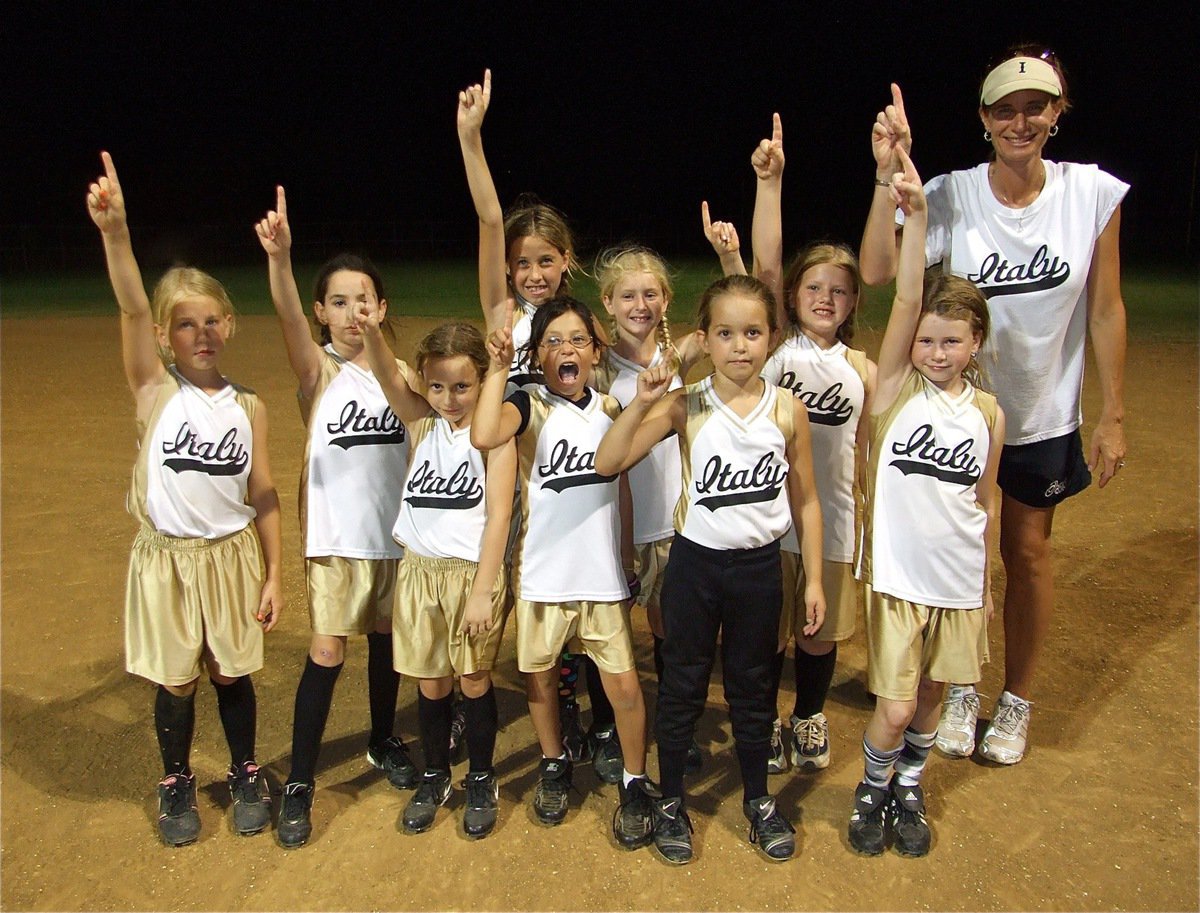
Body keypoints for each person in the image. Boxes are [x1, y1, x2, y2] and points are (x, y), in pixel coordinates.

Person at [859, 47, 1128, 764]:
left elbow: (1105, 310)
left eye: (1035, 106)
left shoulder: (1090, 194)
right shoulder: (951, 193)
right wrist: (889, 173)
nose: (1021, 121)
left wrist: (1113, 413)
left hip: (1040, 411)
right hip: (956, 409)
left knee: (1027, 553)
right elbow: (881, 271)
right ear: (984, 118)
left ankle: (1015, 700)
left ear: (1057, 113)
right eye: (1004, 109)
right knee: (962, 549)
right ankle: (962, 685)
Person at [596, 273, 826, 865]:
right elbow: (608, 460)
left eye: (753, 332)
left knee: (754, 690)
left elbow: (805, 500)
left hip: (758, 570)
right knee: (683, 687)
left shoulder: (787, 409)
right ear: (705, 338)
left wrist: (818, 579)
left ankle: (757, 799)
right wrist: (647, 399)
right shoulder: (685, 403)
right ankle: (670, 799)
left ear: (772, 338)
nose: (740, 345)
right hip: (694, 569)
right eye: (725, 333)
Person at [87, 152, 282, 846]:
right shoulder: (154, 390)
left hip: (231, 556)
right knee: (176, 681)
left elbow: (262, 491)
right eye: (185, 325)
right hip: (166, 559)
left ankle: (245, 768)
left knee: (231, 670)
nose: (201, 334)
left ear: (229, 325)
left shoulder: (248, 405)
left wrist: (276, 574)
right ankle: (175, 779)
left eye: (211, 322)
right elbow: (132, 304)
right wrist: (117, 233)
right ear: (168, 337)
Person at [849, 148, 1004, 858]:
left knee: (936, 699)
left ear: (975, 342)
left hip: (958, 584)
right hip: (901, 582)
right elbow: (907, 297)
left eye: (953, 340)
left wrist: (985, 586)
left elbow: (985, 500)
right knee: (899, 704)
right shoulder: (895, 391)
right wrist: (917, 213)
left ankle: (909, 782)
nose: (937, 351)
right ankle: (872, 786)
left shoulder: (990, 414)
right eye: (928, 341)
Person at [255, 190, 415, 848]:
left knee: (385, 638)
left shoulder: (402, 372)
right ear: (323, 311)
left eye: (366, 299)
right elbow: (289, 319)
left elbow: (421, 417)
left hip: (394, 536)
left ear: (382, 308)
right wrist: (282, 259)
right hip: (335, 539)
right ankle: (298, 781)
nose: (354, 311)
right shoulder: (317, 372)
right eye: (340, 301)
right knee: (327, 650)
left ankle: (382, 738)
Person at [471, 297, 656, 851]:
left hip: (598, 575)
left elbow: (621, 487)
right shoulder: (528, 407)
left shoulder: (612, 408)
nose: (565, 350)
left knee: (622, 685)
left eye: (577, 339)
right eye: (552, 342)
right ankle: (554, 762)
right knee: (542, 678)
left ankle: (634, 779)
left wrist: (626, 559)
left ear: (596, 351)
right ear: (538, 355)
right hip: (544, 574)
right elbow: (483, 434)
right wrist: (500, 366)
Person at [457, 69, 601, 762]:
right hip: (498, 470)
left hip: (554, 474)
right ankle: (470, 693)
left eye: (545, 259)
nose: (534, 272)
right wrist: (471, 137)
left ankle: (570, 701)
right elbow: (490, 219)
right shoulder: (503, 314)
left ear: (565, 260)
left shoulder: (575, 325)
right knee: (487, 586)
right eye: (523, 263)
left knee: (562, 596)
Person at [733, 114, 877, 776]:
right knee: (764, 636)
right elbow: (764, 260)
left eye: (840, 290)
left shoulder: (862, 367)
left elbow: (866, 450)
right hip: (769, 518)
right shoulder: (778, 349)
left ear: (852, 302)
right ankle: (762, 721)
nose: (827, 297)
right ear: (792, 294)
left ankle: (809, 715)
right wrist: (771, 183)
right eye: (814, 287)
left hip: (835, 520)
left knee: (817, 634)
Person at [356, 302, 516, 839]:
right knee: (430, 682)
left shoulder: (494, 436)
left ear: (482, 381)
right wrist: (375, 331)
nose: (451, 399)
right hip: (419, 571)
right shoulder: (422, 422)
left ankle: (482, 777)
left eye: (464, 387)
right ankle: (435, 774)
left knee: (472, 680)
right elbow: (383, 372)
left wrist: (482, 591)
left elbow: (499, 517)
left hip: (470, 573)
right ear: (425, 384)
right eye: (440, 387)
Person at [592, 245, 709, 779]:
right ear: (608, 304)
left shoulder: (677, 357)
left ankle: (668, 727)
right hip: (611, 524)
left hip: (670, 522)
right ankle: (607, 730)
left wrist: (730, 257)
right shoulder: (595, 368)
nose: (640, 305)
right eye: (628, 295)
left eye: (651, 294)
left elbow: (750, 319)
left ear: (666, 300)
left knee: (667, 629)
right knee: (609, 634)